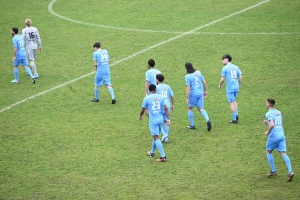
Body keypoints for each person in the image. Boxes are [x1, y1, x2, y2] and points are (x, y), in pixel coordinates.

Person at [263, 98, 294, 181]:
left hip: (274, 135)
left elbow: (272, 124)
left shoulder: (268, 113)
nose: (266, 104)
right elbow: (277, 122)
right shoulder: (278, 112)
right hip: (281, 135)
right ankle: (290, 171)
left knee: (268, 151)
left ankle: (273, 171)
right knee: (283, 153)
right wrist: (267, 122)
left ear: (269, 104)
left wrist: (268, 132)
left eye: (266, 103)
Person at [139, 84, 170, 162]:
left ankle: (163, 156)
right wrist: (168, 118)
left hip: (153, 121)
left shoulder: (147, 98)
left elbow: (142, 109)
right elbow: (166, 108)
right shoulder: (161, 97)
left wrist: (140, 116)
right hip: (160, 119)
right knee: (156, 136)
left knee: (156, 137)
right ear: (156, 89)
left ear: (149, 90)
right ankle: (152, 152)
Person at [185, 62, 211, 131]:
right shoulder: (198, 72)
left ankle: (192, 125)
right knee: (201, 108)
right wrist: (205, 91)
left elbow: (188, 88)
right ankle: (207, 119)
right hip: (200, 93)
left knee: (189, 108)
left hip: (193, 94)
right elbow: (204, 82)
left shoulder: (187, 76)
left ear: (186, 68)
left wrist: (187, 98)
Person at [218, 54, 242, 123]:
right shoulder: (236, 67)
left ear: (226, 59)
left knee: (231, 103)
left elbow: (222, 79)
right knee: (234, 100)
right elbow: (240, 77)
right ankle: (236, 114)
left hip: (230, 88)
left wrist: (220, 85)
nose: (222, 61)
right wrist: (239, 85)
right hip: (236, 86)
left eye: (222, 59)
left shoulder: (225, 68)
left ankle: (234, 119)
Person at [156, 74, 174, 143]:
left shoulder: (157, 87)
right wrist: (173, 104)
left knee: (158, 121)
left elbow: (156, 97)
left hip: (161, 105)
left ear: (157, 80)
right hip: (168, 105)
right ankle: (166, 138)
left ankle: (164, 134)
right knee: (167, 121)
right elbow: (172, 96)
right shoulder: (167, 86)